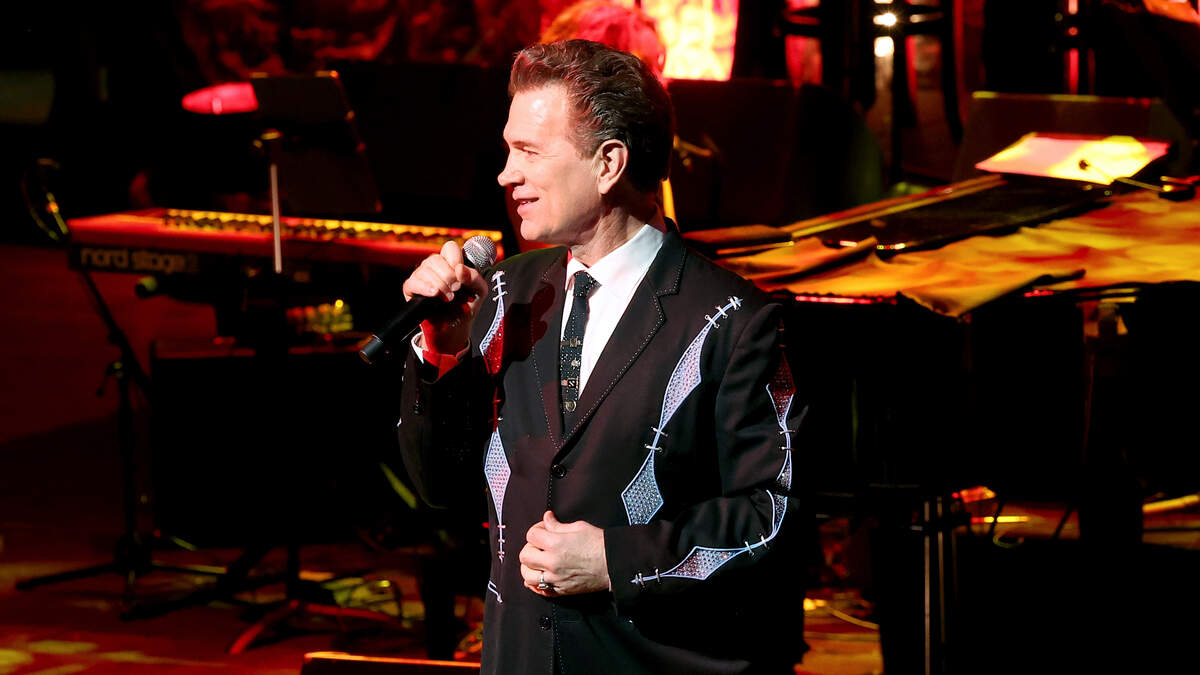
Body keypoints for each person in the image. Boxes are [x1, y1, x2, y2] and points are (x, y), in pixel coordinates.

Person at [397, 39, 808, 674]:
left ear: (609, 163)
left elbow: (774, 517)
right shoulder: (505, 293)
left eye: (529, 151)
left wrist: (615, 560)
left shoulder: (734, 321)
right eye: (509, 150)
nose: (506, 174)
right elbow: (440, 487)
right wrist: (444, 353)